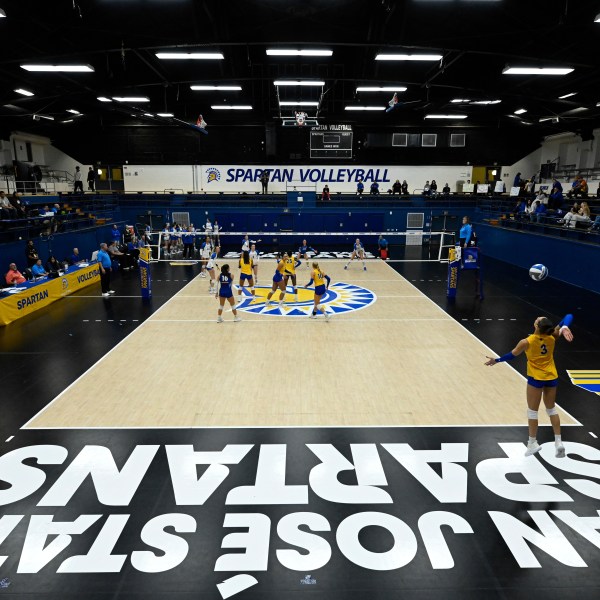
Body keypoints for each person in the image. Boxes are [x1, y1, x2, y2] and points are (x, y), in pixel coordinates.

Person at [484, 314, 574, 458]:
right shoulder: (552, 336)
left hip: (536, 378)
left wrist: (496, 360)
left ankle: (532, 443)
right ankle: (558, 442)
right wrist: (564, 327)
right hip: (551, 377)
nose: (537, 318)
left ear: (536, 326)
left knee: (532, 411)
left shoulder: (527, 341)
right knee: (551, 410)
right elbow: (569, 316)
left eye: (538, 319)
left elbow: (512, 355)